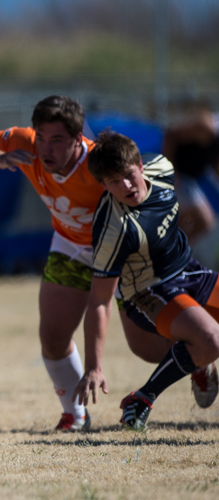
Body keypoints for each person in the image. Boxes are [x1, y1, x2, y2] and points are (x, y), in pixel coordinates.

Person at [0, 95, 211, 432]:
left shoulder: (99, 165)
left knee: (147, 349)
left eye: (57, 140)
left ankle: (197, 358)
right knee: (53, 337)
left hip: (123, 257)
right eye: (41, 137)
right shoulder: (26, 146)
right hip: (71, 247)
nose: (46, 149)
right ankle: (75, 414)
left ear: (78, 139)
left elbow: (145, 187)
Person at [75, 130, 219, 431]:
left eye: (128, 175)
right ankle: (143, 398)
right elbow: (100, 300)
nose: (126, 186)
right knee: (210, 340)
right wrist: (93, 366)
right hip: (147, 291)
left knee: (205, 342)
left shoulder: (162, 169)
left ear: (141, 165)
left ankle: (197, 357)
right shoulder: (114, 228)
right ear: (104, 186)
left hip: (188, 269)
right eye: (114, 181)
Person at [161, 105, 219, 245]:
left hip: (189, 180)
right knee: (202, 220)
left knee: (204, 223)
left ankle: (172, 253)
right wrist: (170, 170)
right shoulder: (207, 126)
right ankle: (168, 253)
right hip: (176, 175)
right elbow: (171, 133)